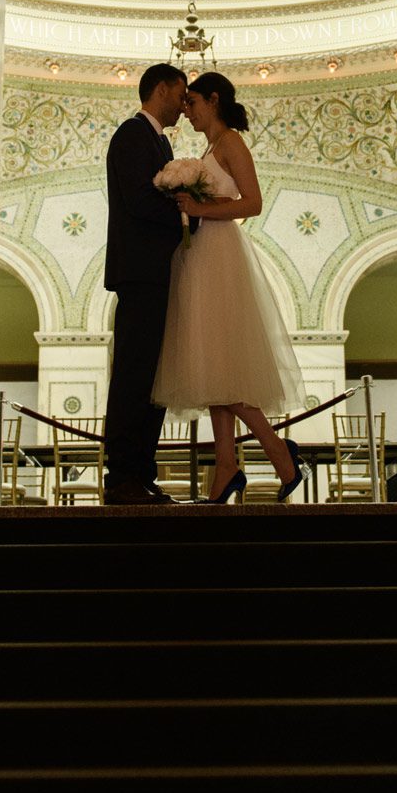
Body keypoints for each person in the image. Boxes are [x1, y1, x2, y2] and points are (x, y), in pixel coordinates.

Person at [153, 71, 308, 504]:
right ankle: (226, 465)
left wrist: (199, 205)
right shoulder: (209, 148)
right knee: (213, 365)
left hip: (220, 254)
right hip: (200, 253)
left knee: (223, 366)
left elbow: (253, 203)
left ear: (214, 100)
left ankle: (280, 453)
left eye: (193, 103)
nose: (187, 110)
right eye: (184, 103)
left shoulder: (232, 143)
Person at [100, 63, 189, 505]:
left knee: (153, 377)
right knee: (134, 374)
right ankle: (121, 477)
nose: (183, 102)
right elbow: (137, 200)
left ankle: (142, 471)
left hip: (157, 273)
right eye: (180, 92)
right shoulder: (132, 135)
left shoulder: (160, 141)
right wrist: (186, 216)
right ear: (159, 90)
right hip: (139, 273)